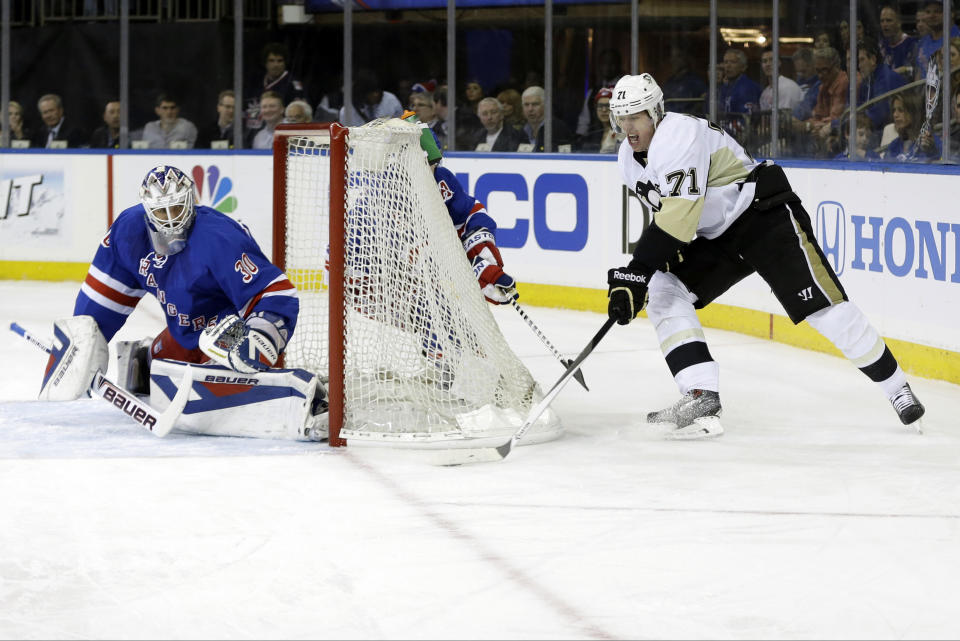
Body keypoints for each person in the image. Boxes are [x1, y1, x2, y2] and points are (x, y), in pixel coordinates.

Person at [603, 73, 924, 439]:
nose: (628, 126)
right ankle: (699, 393)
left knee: (822, 308)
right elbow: (672, 222)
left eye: (636, 116)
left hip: (760, 214)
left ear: (656, 113)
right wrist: (645, 272)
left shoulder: (678, 134)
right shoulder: (627, 160)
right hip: (715, 236)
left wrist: (637, 269)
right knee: (664, 288)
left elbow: (678, 214)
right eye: (621, 118)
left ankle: (897, 388)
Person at [37, 165, 324, 440]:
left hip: (229, 330)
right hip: (183, 333)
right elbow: (100, 301)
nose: (171, 218)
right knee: (162, 369)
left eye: (176, 207)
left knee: (217, 374)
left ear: (191, 201)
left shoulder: (219, 237)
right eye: (162, 211)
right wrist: (80, 348)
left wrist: (258, 339)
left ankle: (305, 399)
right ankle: (143, 357)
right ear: (147, 210)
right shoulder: (129, 232)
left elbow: (275, 293)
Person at [244, 42, 305, 130]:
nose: (275, 65)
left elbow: (299, 114)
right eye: (271, 60)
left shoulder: (292, 84)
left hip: (282, 129)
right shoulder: (256, 81)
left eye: (279, 61)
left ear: (285, 63)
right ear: (265, 63)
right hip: (255, 129)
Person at [857, 36, 907, 134]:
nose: (859, 65)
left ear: (873, 59)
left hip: (894, 132)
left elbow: (878, 115)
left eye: (862, 60)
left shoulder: (886, 78)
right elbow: (858, 107)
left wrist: (853, 122)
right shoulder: (867, 80)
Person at [803, 47, 848, 153]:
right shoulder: (823, 86)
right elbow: (818, 115)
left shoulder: (843, 83)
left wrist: (809, 125)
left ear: (836, 66)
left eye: (824, 70)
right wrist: (809, 124)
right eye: (817, 71)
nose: (820, 76)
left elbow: (835, 119)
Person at [883, 91, 940, 161]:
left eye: (900, 110)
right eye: (894, 110)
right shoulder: (893, 146)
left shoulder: (932, 143)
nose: (895, 115)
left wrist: (932, 152)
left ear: (914, 113)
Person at [339, 68, 403, 127]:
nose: (376, 94)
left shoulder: (391, 100)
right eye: (371, 92)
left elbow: (403, 125)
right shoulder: (347, 111)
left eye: (377, 90)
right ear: (361, 94)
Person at [519, 85, 573, 152]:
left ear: (545, 105)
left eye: (535, 104)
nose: (530, 109)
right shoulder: (522, 131)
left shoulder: (559, 129)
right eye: (526, 105)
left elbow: (565, 158)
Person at [916, 0, 960, 80]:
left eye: (938, 11)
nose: (931, 15)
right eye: (928, 12)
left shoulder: (957, 39)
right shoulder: (922, 42)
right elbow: (919, 73)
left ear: (952, 13)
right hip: (926, 91)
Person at [879, 3, 919, 79]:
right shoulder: (882, 46)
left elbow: (915, 71)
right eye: (882, 21)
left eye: (889, 20)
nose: (884, 24)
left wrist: (902, 70)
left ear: (899, 23)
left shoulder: (912, 44)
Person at [719, 48, 762, 115]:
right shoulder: (724, 87)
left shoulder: (750, 87)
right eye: (726, 62)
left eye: (733, 62)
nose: (728, 66)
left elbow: (748, 118)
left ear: (743, 67)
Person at [759, 48, 803, 112]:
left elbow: (785, 117)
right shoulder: (764, 93)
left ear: (779, 63)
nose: (768, 64)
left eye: (771, 60)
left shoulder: (788, 87)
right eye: (764, 61)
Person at [578, 88, 619, 153]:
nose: (604, 110)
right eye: (600, 106)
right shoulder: (591, 134)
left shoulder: (621, 133)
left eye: (608, 106)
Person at [791, 47, 820, 120]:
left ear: (813, 65)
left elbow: (807, 107)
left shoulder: (820, 84)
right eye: (798, 72)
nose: (801, 75)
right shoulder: (799, 81)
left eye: (803, 71)